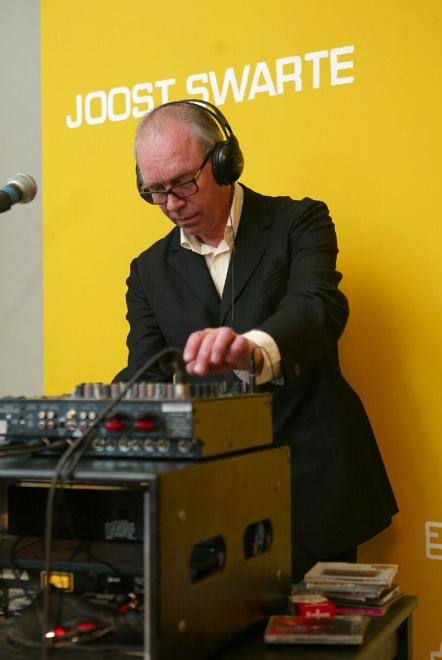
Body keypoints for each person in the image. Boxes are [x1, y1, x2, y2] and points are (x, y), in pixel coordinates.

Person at [115, 99, 398, 581]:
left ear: (224, 160)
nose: (171, 203)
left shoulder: (299, 221)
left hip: (316, 490)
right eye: (155, 190)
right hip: (211, 508)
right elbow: (147, 371)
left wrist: (254, 349)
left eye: (183, 182)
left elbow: (317, 307)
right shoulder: (147, 271)